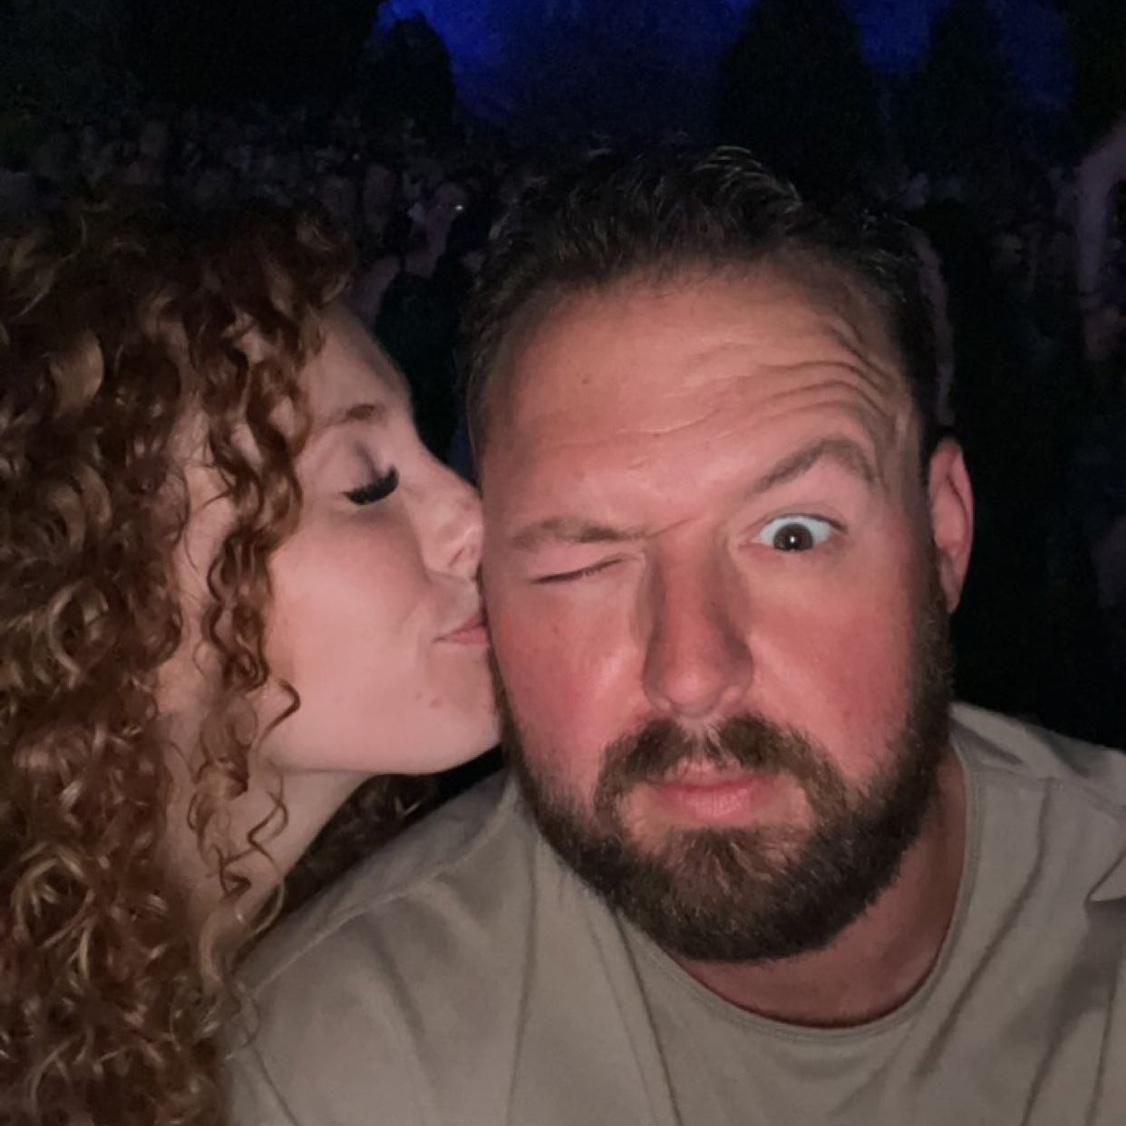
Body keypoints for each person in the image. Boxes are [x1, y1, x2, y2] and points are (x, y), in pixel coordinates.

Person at [227, 150, 1126, 1125]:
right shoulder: (345, 1066)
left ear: (942, 538)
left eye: (794, 536)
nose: (692, 673)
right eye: (583, 563)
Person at [0, 196, 497, 1126]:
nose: (474, 514)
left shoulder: (376, 944)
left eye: (423, 444)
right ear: (117, 619)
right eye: (367, 484)